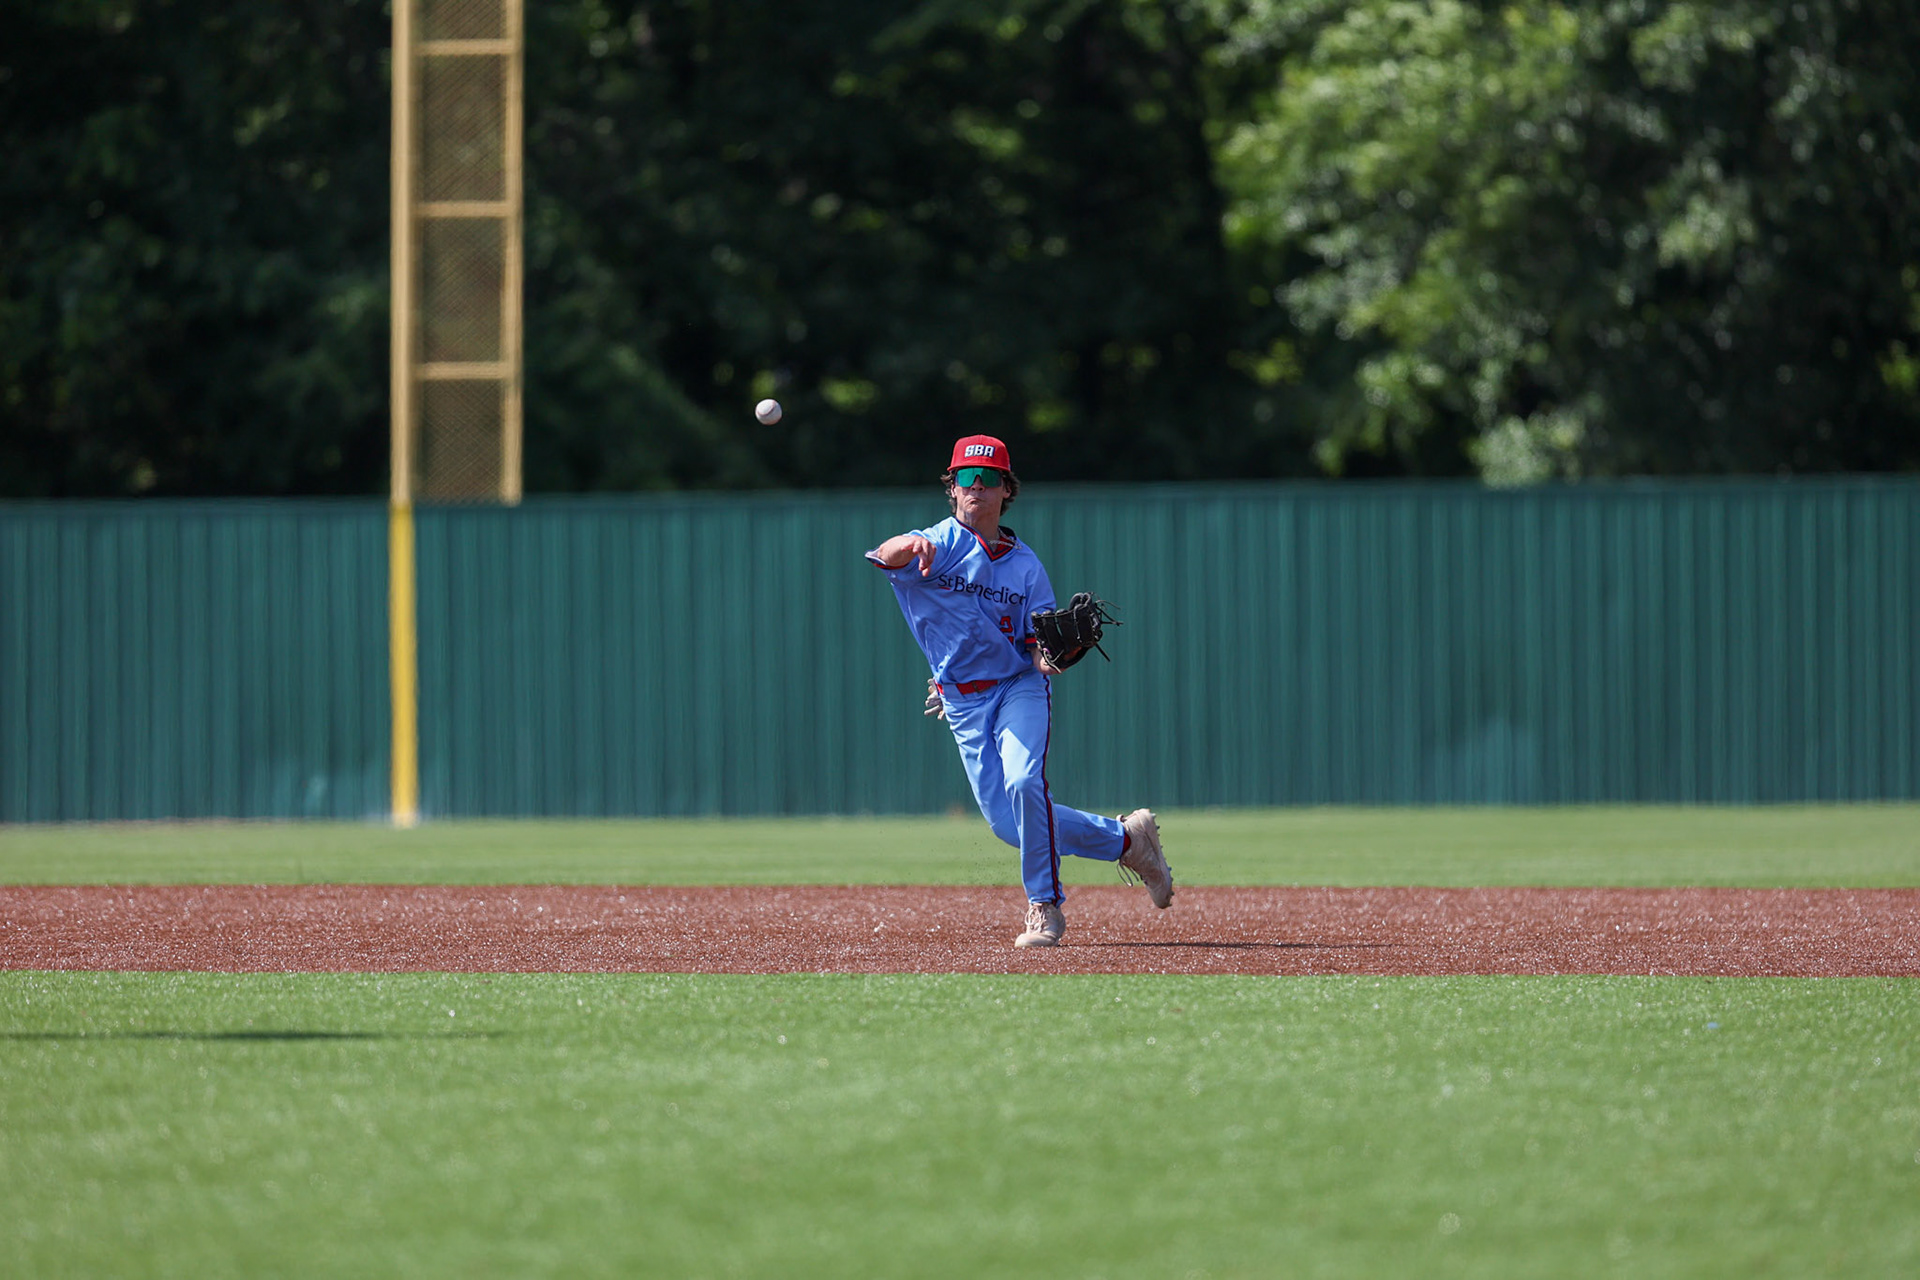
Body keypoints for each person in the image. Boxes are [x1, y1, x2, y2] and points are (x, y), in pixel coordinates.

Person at [865, 434, 1173, 948]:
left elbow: (1038, 652)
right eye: (966, 477)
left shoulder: (1026, 566)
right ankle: (1127, 840)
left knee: (1026, 782)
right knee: (1011, 826)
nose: (976, 487)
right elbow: (885, 555)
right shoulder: (935, 544)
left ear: (1006, 489)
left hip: (1017, 687)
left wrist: (1055, 656)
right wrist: (908, 545)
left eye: (988, 479)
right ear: (952, 487)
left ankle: (1044, 907)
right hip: (962, 700)